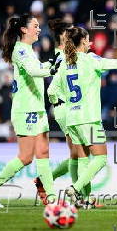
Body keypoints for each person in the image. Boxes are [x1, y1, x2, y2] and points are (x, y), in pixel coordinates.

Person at [48, 27, 117, 208]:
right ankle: (76, 188)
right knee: (101, 159)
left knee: (83, 159)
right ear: (83, 42)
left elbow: (51, 91)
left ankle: (86, 200)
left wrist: (64, 104)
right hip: (89, 118)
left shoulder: (65, 62)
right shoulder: (91, 59)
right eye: (87, 39)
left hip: (71, 118)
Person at [0, 14, 61, 208]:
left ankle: (51, 199)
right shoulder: (20, 50)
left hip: (37, 109)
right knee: (25, 157)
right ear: (24, 30)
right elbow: (34, 71)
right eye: (35, 25)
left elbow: (38, 67)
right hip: (26, 111)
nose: (39, 29)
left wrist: (51, 63)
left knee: (43, 153)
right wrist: (52, 68)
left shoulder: (29, 51)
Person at [34, 18, 77, 201]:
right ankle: (79, 195)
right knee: (79, 154)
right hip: (65, 108)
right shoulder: (60, 57)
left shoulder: (62, 55)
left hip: (68, 108)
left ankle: (45, 180)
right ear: (63, 36)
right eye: (71, 34)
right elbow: (53, 88)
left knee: (77, 153)